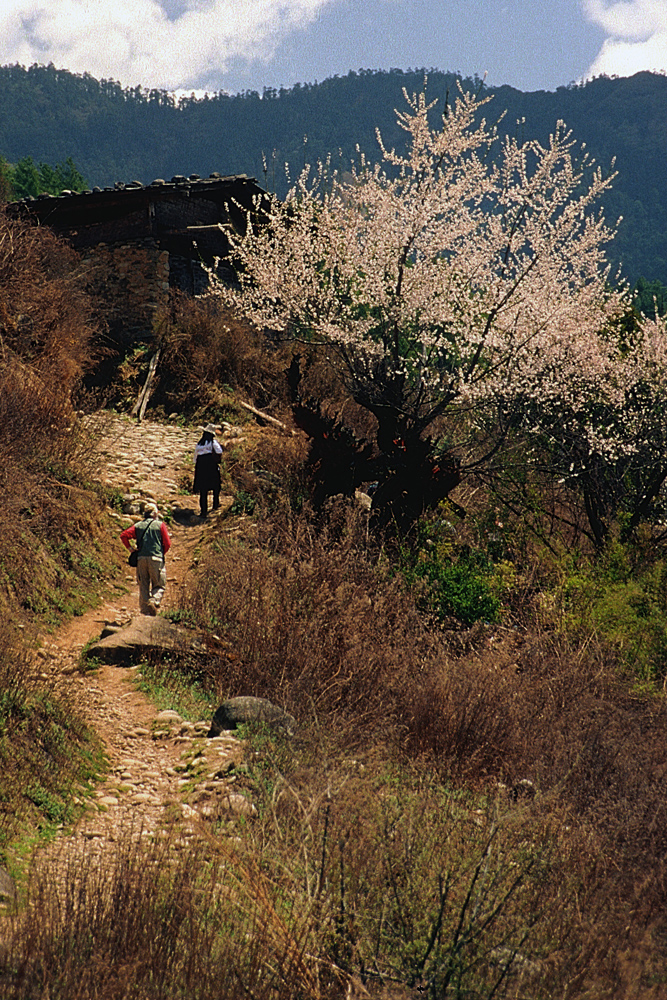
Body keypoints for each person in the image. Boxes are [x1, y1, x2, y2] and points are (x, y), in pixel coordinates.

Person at [120, 503, 171, 616]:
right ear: (155, 513)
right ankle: (153, 601)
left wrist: (130, 549)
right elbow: (167, 543)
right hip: (156, 558)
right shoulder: (160, 525)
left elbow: (124, 535)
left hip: (141, 558)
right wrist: (161, 553)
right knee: (159, 584)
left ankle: (144, 611)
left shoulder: (138, 525)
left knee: (143, 584)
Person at [193, 423, 223, 517]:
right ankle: (215, 504)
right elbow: (219, 451)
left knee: (203, 490)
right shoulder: (213, 443)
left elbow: (195, 459)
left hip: (201, 468)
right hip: (210, 467)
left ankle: (203, 511)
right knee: (216, 485)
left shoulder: (199, 444)